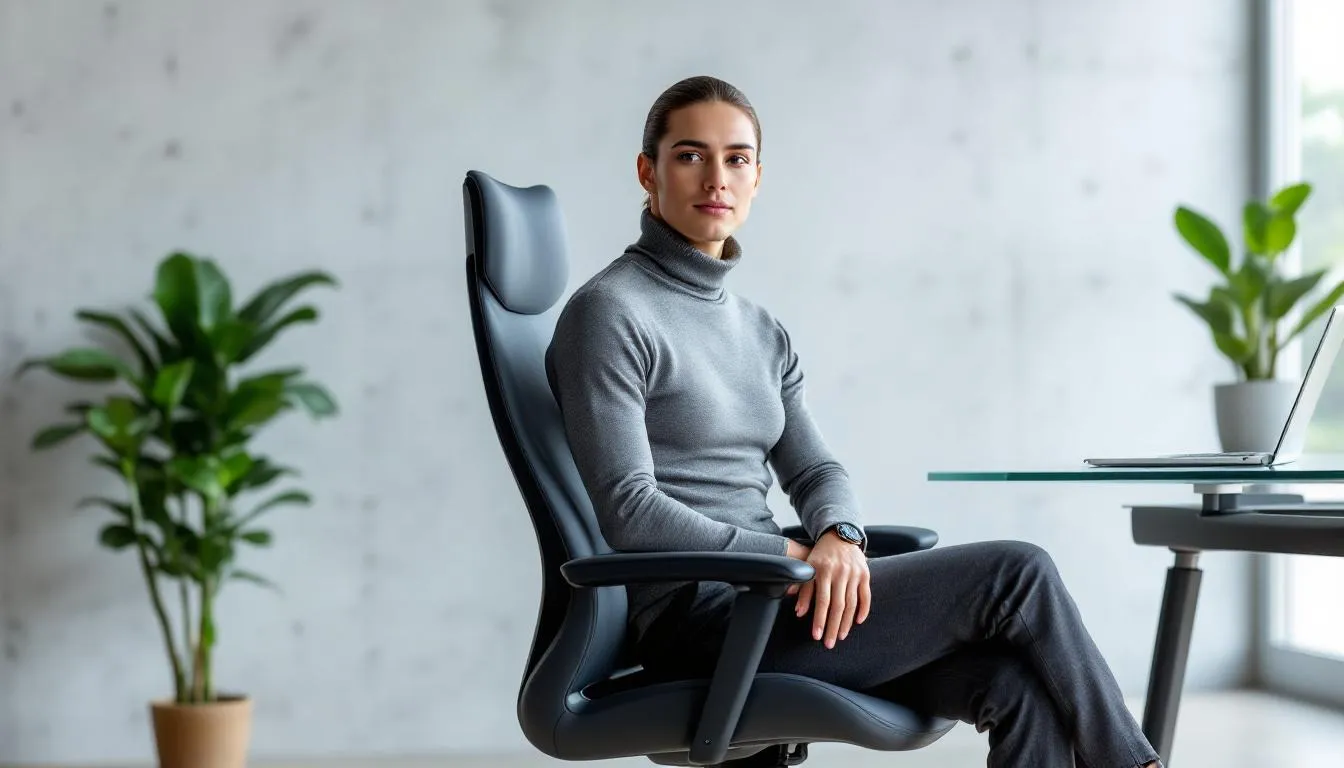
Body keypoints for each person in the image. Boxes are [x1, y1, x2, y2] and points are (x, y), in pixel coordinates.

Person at [544, 75, 1161, 768]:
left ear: (757, 178)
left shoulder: (759, 331)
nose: (717, 176)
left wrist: (838, 535)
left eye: (738, 158)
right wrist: (789, 556)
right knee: (1017, 572)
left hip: (779, 597)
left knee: (1011, 682)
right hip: (707, 619)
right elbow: (630, 510)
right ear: (648, 172)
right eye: (691, 155)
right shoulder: (610, 313)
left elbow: (815, 470)